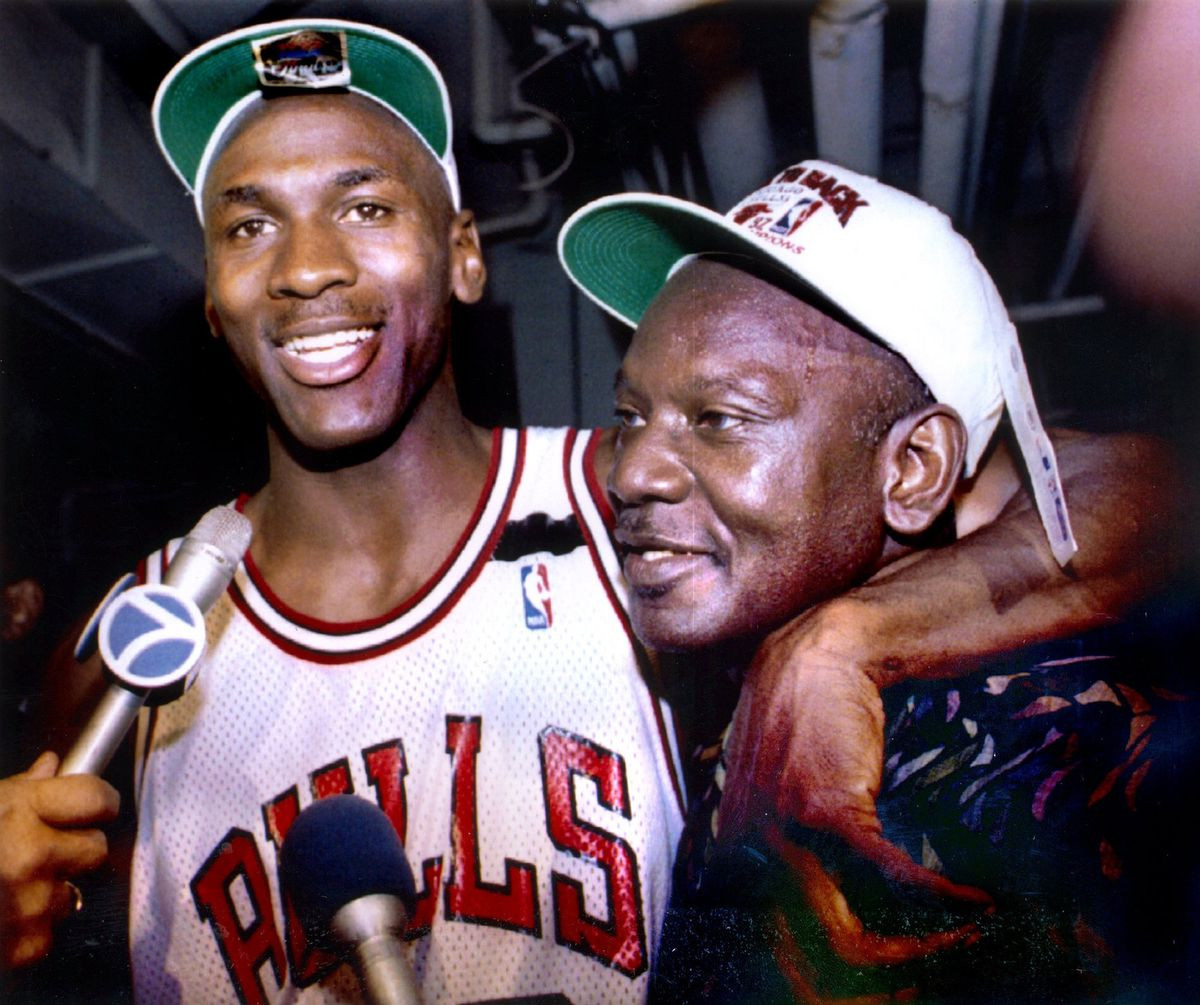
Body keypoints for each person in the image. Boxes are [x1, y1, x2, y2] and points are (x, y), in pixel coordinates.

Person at [0, 19, 1176, 1004]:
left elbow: (1126, 484)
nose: (306, 267)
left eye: (366, 208)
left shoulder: (649, 522)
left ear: (467, 254)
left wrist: (856, 633)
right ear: (212, 299)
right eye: (249, 225)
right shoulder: (132, 641)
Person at [557, 161, 1192, 1001]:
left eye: (721, 419)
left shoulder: (1007, 756)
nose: (632, 470)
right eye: (631, 414)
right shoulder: (781, 672)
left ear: (915, 467)